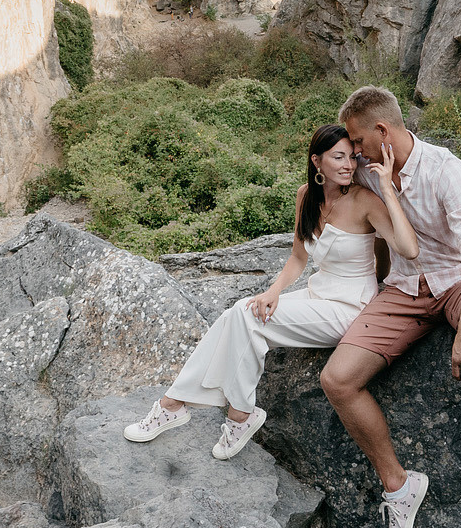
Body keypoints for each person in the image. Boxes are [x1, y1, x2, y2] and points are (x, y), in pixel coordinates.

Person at [123, 122, 419, 458]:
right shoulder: (306, 196)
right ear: (317, 161)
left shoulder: (366, 201)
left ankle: (232, 413)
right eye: (338, 157)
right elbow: (297, 256)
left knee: (248, 320)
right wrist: (274, 291)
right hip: (317, 293)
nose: (348, 165)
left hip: (351, 308)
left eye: (352, 157)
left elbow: (408, 250)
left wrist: (386, 189)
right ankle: (176, 404)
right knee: (237, 313)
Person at [321, 85, 461, 528]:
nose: (353, 152)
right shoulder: (370, 175)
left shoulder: (446, 169)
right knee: (337, 380)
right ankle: (399, 485)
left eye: (357, 140)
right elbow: (336, 206)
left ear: (382, 131)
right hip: (404, 289)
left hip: (454, 280)